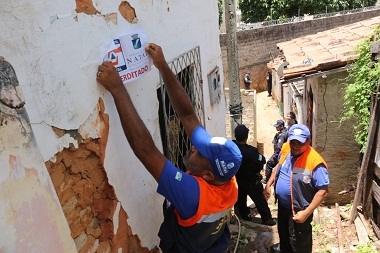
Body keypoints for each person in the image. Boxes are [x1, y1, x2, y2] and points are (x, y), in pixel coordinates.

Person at [96, 43, 242, 252]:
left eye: (200, 152)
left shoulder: (194, 196)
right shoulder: (228, 178)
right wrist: (163, 66)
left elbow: (146, 151)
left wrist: (118, 89)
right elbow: (188, 116)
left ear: (209, 175)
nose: (193, 147)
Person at [265, 124, 329, 253]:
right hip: (283, 206)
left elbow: (323, 191)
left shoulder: (315, 162)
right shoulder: (286, 148)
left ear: (308, 141)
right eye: (293, 141)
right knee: (283, 233)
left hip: (300, 209)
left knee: (299, 242)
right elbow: (279, 165)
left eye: (300, 142)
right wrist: (268, 184)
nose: (295, 145)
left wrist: (306, 213)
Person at [232, 124, 276, 226]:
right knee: (260, 200)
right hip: (251, 180)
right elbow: (262, 160)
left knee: (241, 199)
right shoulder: (251, 151)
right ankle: (267, 219)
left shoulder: (232, 147)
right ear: (247, 137)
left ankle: (244, 217)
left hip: (237, 179)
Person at [262, 119, 288, 184]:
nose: (276, 127)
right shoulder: (285, 131)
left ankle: (268, 180)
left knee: (269, 164)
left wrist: (275, 156)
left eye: (278, 126)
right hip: (284, 154)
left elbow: (279, 147)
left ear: (281, 126)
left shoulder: (281, 135)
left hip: (279, 154)